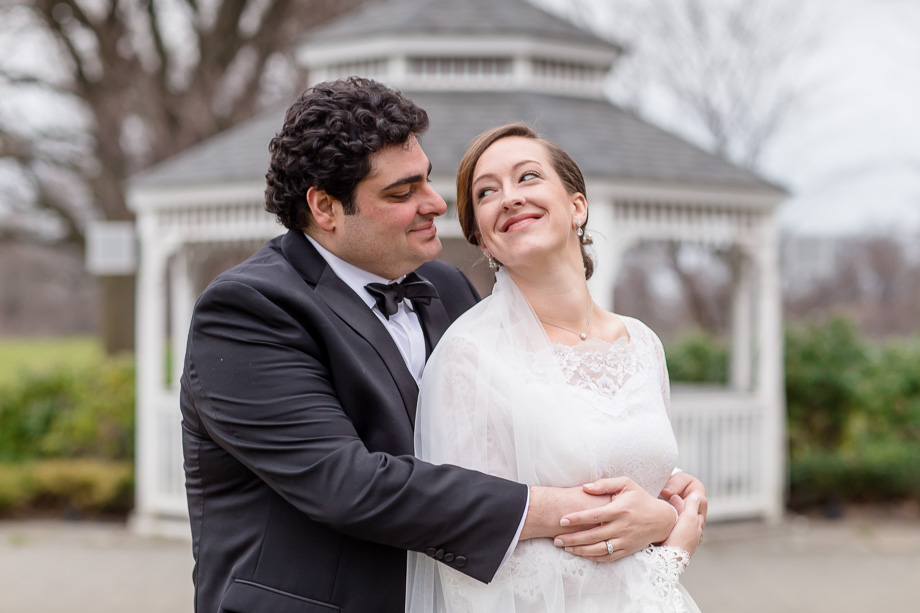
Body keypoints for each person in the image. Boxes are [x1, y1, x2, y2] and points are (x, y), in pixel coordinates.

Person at [180, 78, 706, 613]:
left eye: (427, 180)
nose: (435, 203)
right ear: (326, 208)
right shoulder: (248, 310)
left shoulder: (448, 288)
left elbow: (515, 428)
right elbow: (348, 484)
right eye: (402, 193)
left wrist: (651, 486)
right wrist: (578, 511)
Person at [406, 123, 705, 612]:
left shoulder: (643, 343)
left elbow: (630, 468)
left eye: (527, 177)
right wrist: (670, 548)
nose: (508, 197)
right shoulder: (470, 358)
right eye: (486, 192)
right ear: (482, 238)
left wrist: (671, 503)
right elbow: (473, 561)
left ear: (576, 206)